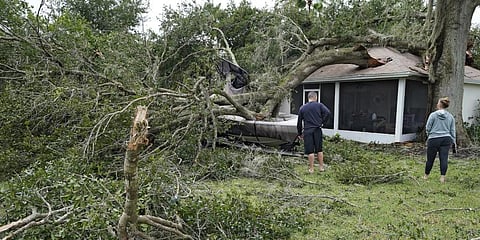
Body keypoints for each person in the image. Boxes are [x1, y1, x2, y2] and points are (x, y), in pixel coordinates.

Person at [424, 97, 456, 183]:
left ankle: (426, 176)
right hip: (446, 139)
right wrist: (453, 141)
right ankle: (442, 177)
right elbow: (452, 130)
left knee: (430, 159)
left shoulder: (433, 115)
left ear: (439, 104)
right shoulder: (450, 116)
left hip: (433, 139)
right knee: (444, 158)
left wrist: (429, 135)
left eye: (438, 102)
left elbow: (428, 127)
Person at [297, 91, 331, 173]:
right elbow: (328, 112)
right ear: (315, 97)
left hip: (308, 130)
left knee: (310, 150)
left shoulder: (302, 108)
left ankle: (311, 169)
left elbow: (299, 122)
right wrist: (323, 122)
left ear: (308, 98)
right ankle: (321, 167)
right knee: (319, 149)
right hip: (317, 129)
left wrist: (300, 133)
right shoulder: (319, 105)